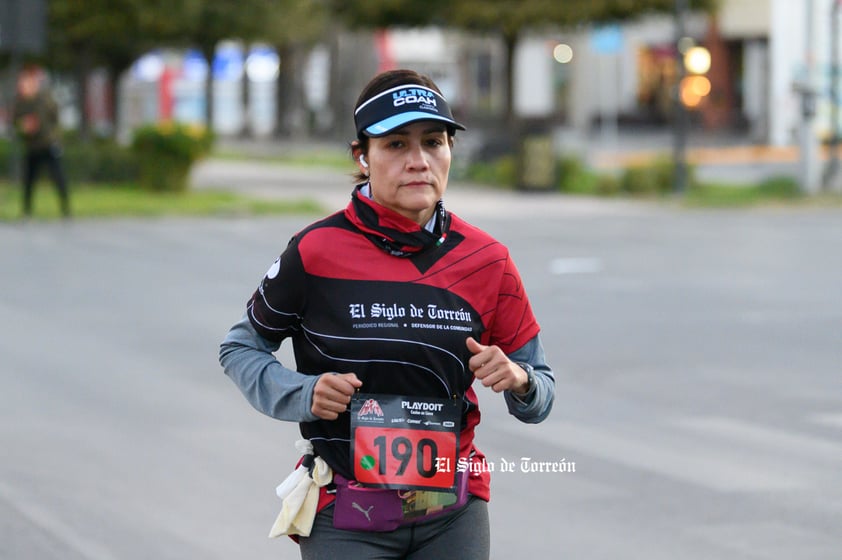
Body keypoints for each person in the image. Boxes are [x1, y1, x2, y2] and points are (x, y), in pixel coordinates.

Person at [219, 68, 554, 560]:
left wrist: (520, 379)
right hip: (346, 516)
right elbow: (240, 347)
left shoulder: (489, 260)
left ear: (450, 152)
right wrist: (303, 393)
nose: (418, 161)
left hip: (454, 515)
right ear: (362, 156)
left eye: (433, 142)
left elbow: (541, 391)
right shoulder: (315, 251)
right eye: (396, 145)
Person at [12, 64, 70, 219]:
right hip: (32, 146)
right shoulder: (20, 103)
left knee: (58, 176)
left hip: (48, 144)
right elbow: (15, 123)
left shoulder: (44, 99)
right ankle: (27, 210)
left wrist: (56, 138)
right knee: (29, 179)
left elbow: (54, 118)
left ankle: (66, 209)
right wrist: (22, 127)